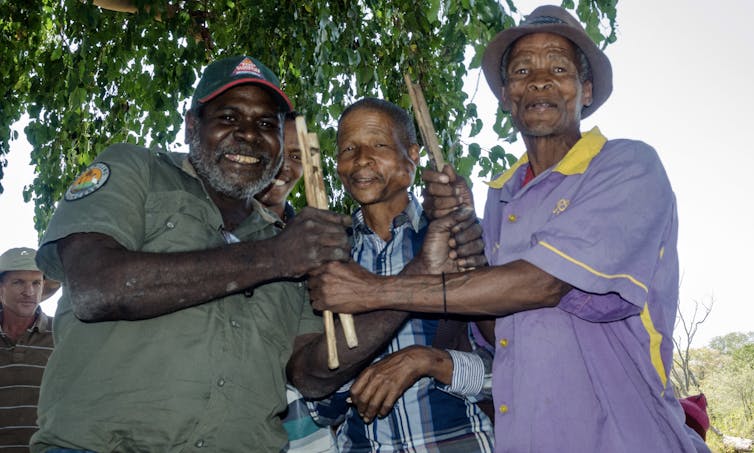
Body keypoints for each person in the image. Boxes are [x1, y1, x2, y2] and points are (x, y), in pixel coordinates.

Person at [306, 6, 710, 452]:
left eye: (558, 67)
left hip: (626, 438)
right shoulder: (501, 197)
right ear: (506, 95)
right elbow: (501, 330)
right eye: (522, 70)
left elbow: (544, 284)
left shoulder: (626, 165)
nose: (539, 80)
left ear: (586, 89)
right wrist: (467, 241)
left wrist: (371, 293)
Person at [29, 55, 359, 452]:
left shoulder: (285, 239)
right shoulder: (136, 169)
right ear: (191, 126)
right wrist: (274, 258)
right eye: (229, 117)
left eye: (267, 124)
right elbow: (97, 288)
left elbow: (309, 375)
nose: (250, 135)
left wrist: (408, 290)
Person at [290, 98, 494, 452]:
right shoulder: (326, 258)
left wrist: (430, 362)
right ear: (336, 166)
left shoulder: (460, 237)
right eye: (348, 148)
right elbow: (317, 402)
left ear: (412, 156)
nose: (361, 158)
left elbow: (512, 370)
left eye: (379, 144)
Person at [255, 113, 338, 453]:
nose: (283, 168)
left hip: (310, 431)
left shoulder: (315, 236)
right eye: (274, 152)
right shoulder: (214, 229)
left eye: (295, 157)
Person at [0, 247, 59, 453]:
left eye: (36, 283)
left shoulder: (62, 334)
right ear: (1, 288)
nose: (29, 292)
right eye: (18, 282)